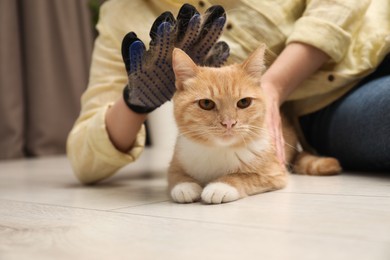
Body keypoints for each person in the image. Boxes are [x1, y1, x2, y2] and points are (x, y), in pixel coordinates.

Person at [67, 0, 390, 184]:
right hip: (334, 99)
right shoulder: (121, 13)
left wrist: (273, 85)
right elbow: (84, 160)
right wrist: (135, 102)